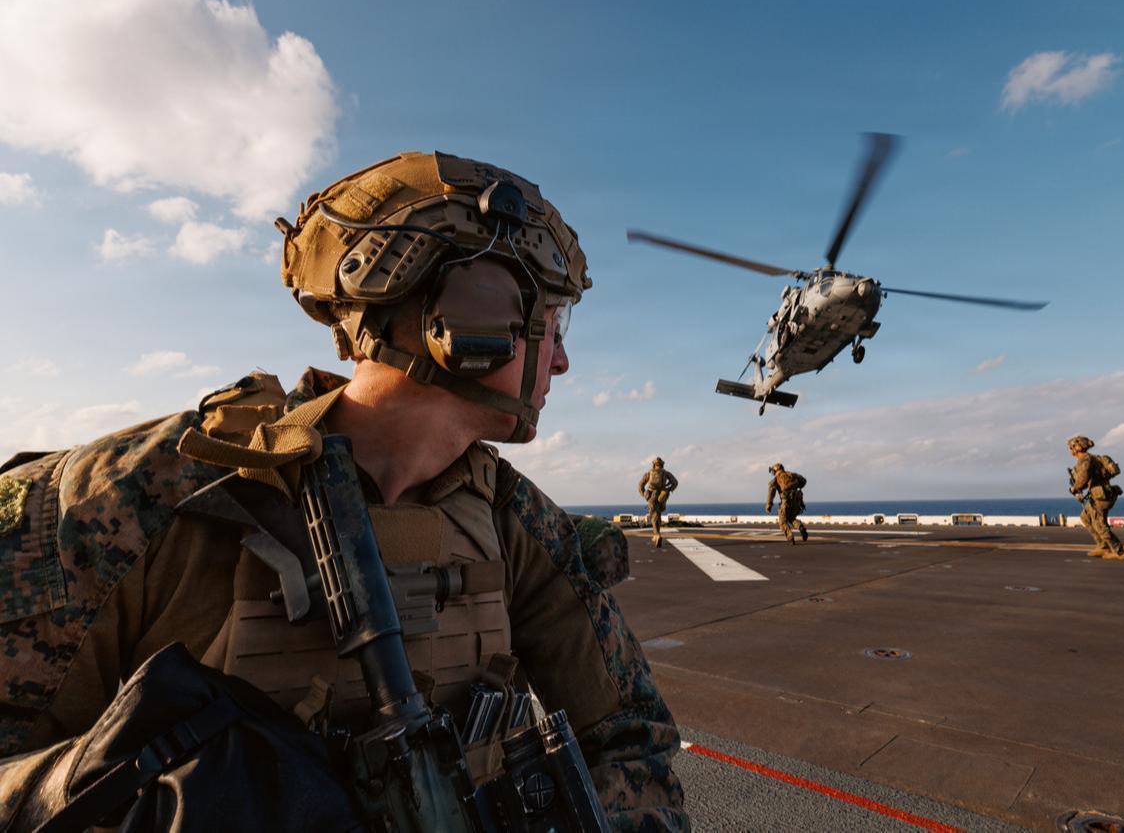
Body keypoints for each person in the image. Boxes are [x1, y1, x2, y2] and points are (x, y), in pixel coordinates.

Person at [0, 151, 688, 830]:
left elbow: (633, 739)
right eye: (553, 323)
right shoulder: (144, 493)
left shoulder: (519, 524)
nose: (563, 362)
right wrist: (122, 790)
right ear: (466, 311)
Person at [1067, 435, 1124, 561]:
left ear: (1076, 448)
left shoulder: (1085, 460)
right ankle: (1103, 545)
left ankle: (1118, 551)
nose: (1070, 450)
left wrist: (1075, 488)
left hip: (1101, 496)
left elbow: (1082, 479)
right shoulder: (1091, 458)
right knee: (1085, 517)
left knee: (1100, 525)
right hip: (1100, 494)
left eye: (1071, 447)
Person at [637, 457, 679, 548]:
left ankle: (657, 534)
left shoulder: (649, 473)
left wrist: (644, 494)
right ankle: (656, 534)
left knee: (654, 515)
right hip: (662, 495)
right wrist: (668, 489)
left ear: (654, 464)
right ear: (662, 464)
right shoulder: (666, 473)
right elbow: (675, 482)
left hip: (652, 495)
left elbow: (640, 485)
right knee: (657, 514)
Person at [765, 462, 808, 544]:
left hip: (786, 502)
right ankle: (800, 527)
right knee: (791, 518)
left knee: (782, 521)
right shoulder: (792, 474)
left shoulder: (776, 479)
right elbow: (804, 481)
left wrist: (768, 505)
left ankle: (790, 537)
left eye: (773, 471)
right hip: (796, 502)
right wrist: (795, 485)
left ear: (776, 470)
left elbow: (771, 492)